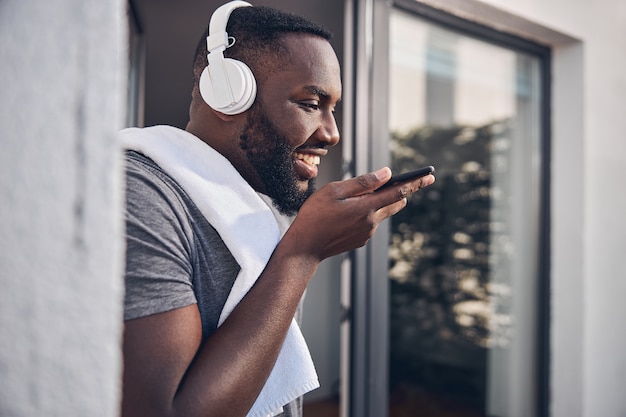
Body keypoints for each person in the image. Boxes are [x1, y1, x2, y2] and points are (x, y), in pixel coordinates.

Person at [119, 2, 435, 417]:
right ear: (226, 93)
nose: (332, 134)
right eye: (310, 103)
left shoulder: (256, 204)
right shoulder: (138, 194)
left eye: (333, 108)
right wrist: (303, 252)